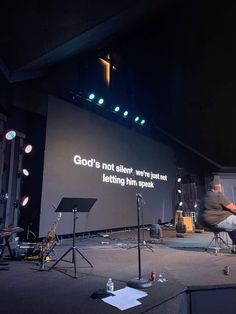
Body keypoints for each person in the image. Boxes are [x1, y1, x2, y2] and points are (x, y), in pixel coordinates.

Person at [198, 179, 236, 248]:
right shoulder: (218, 196)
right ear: (218, 188)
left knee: (232, 225)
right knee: (234, 221)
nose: (221, 190)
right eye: (220, 188)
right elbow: (233, 208)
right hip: (216, 221)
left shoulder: (205, 196)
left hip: (204, 223)